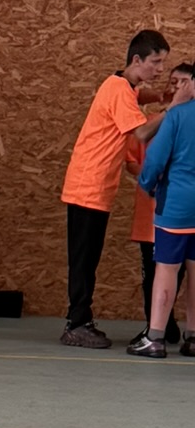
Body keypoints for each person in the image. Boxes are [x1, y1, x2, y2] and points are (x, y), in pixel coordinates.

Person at [60, 29, 169, 348]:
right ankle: (76, 324)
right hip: (88, 187)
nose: (160, 69)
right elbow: (142, 132)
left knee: (88, 257)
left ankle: (81, 319)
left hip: (95, 187)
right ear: (136, 60)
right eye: (155, 62)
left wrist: (158, 97)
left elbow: (136, 97)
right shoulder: (119, 89)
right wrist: (173, 108)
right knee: (83, 259)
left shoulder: (122, 85)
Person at [126, 62, 193, 349]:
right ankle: (191, 336)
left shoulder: (176, 116)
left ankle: (155, 336)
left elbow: (153, 160)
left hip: (175, 206)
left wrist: (147, 183)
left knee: (166, 270)